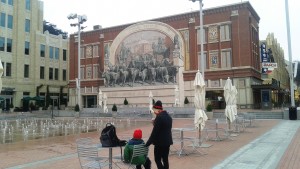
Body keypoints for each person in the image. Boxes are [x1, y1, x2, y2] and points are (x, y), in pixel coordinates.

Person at [146, 100, 173, 169]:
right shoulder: (169, 117)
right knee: (165, 159)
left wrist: (147, 143)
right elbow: (163, 129)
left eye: (155, 110)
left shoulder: (159, 117)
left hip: (160, 143)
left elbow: (154, 133)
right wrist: (155, 123)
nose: (154, 112)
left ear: (157, 109)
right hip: (167, 142)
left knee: (157, 159)